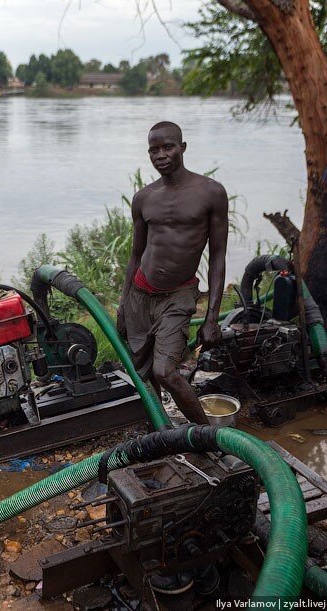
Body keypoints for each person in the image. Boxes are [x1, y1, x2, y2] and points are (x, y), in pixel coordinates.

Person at [117, 121, 228, 425]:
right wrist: (123, 303)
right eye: (154, 149)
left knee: (164, 371)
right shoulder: (144, 198)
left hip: (178, 295)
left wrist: (212, 318)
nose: (161, 154)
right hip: (140, 294)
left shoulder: (211, 192)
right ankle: (163, 429)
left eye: (168, 146)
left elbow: (218, 257)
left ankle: (209, 437)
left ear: (183, 147)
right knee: (141, 372)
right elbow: (136, 255)